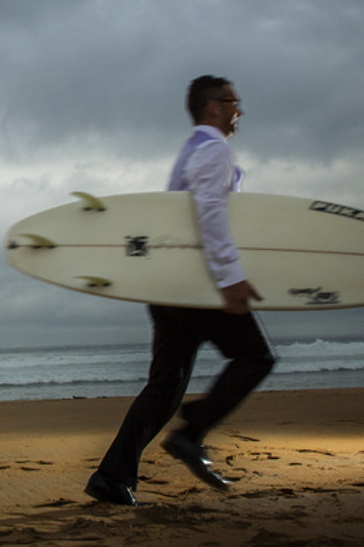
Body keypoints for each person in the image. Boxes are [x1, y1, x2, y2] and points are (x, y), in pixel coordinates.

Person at [84, 76, 276, 507]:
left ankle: (112, 477)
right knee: (255, 357)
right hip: (196, 287)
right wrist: (230, 278)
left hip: (168, 286)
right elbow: (210, 213)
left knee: (165, 386)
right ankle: (191, 433)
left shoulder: (192, 149)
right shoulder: (213, 150)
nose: (239, 110)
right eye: (232, 101)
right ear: (213, 107)